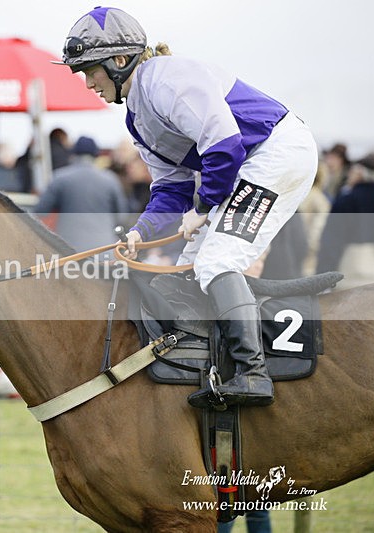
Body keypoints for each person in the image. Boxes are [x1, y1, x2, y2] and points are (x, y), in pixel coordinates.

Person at [58, 7, 318, 408]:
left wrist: (204, 204)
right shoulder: (137, 118)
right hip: (249, 164)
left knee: (216, 262)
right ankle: (207, 366)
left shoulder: (167, 79)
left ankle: (253, 373)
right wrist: (140, 231)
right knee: (194, 269)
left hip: (278, 153)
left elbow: (225, 145)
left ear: (119, 61)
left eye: (89, 70)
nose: (87, 82)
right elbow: (170, 190)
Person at [33, 135, 127, 256]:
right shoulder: (110, 180)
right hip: (105, 250)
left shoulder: (60, 177)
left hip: (69, 252)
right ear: (96, 155)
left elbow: (40, 211)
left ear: (73, 154)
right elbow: (122, 217)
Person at [316, 152, 374, 289]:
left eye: (352, 171)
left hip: (349, 273)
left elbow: (332, 241)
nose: (349, 175)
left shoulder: (346, 200)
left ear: (360, 173)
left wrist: (322, 275)